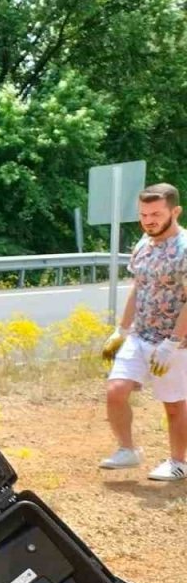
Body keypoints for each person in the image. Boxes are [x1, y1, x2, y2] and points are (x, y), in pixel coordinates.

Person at [100, 182, 187, 480]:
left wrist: (173, 342)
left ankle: (178, 462)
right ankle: (127, 450)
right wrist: (121, 330)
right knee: (116, 390)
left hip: (175, 344)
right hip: (140, 336)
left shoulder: (185, 248)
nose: (149, 220)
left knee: (174, 405)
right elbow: (138, 287)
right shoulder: (143, 245)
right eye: (144, 214)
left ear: (175, 211)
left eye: (156, 214)